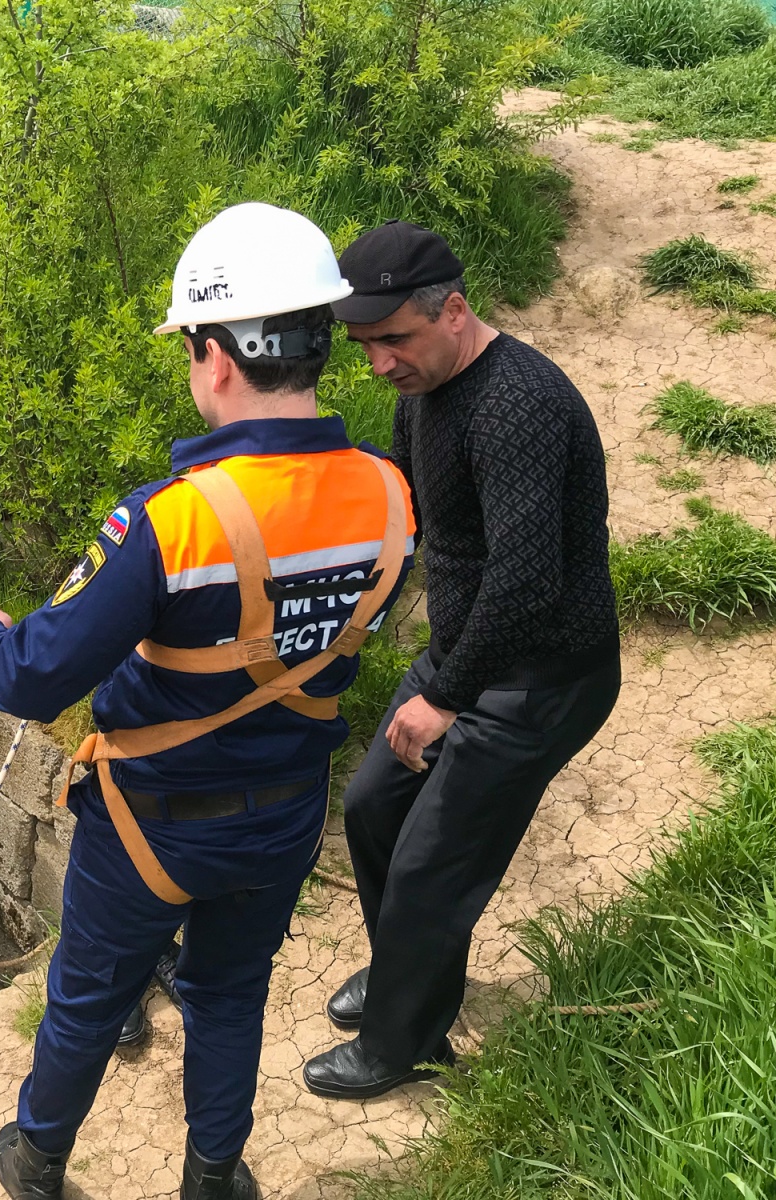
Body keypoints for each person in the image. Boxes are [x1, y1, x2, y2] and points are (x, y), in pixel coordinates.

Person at [0, 203, 417, 1200]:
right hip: (285, 814)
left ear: (215, 355)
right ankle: (211, 1178)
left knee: (83, 1001)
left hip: (148, 825)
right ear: (317, 343)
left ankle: (37, 1160)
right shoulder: (386, 493)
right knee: (229, 998)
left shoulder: (172, 521)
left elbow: (28, 678)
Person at [302, 221, 621, 1100]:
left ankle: (403, 1044)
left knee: (431, 865)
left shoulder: (517, 404)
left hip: (544, 674)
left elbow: (526, 582)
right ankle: (408, 973)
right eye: (365, 347)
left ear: (453, 309)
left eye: (393, 340)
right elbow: (410, 509)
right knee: (371, 811)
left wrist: (442, 692)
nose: (379, 365)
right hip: (471, 654)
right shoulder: (426, 389)